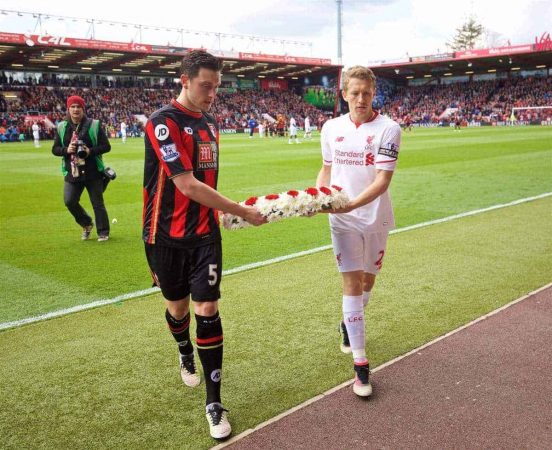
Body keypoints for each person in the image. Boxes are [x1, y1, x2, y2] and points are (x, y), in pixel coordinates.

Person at [143, 50, 265, 440]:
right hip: (164, 237)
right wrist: (240, 211)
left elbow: (206, 186)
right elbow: (187, 184)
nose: (213, 92)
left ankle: (214, 403)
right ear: (184, 79)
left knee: (207, 308)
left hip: (205, 238)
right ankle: (183, 349)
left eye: (216, 86)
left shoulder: (211, 124)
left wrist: (222, 214)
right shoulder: (162, 123)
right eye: (205, 85)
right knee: (177, 310)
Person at [315, 66, 401, 398]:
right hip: (342, 220)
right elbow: (326, 169)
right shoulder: (330, 128)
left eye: (367, 92)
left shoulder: (389, 129)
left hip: (374, 216)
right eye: (355, 93)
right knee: (350, 284)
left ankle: (347, 323)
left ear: (373, 93)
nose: (361, 99)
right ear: (344, 94)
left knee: (367, 282)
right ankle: (361, 367)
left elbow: (382, 181)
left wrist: (351, 205)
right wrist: (317, 196)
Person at [52, 95, 112, 242]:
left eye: (78, 106)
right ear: (68, 109)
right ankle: (86, 224)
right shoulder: (62, 127)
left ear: (83, 109)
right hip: (73, 172)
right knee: (69, 201)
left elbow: (106, 146)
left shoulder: (94, 125)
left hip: (93, 171)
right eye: (72, 106)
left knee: (97, 203)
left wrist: (90, 151)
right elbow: (55, 149)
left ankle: (103, 232)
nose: (75, 109)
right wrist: (67, 150)